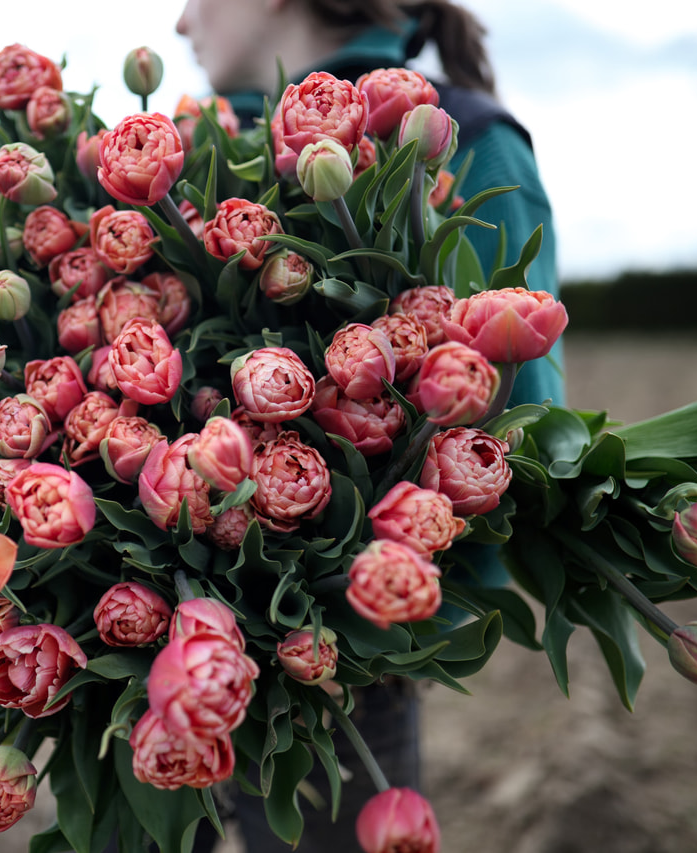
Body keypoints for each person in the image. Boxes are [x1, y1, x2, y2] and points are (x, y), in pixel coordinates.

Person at [172, 1, 564, 850]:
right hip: (162, 634)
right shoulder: (191, 152)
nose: (178, 22)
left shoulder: (466, 136)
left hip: (346, 654)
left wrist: (383, 603)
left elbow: (520, 427)